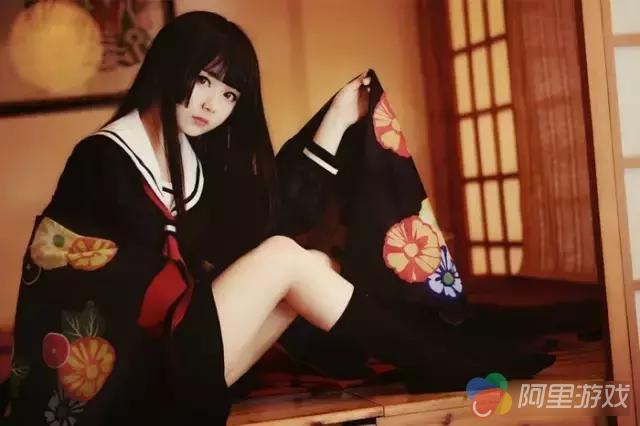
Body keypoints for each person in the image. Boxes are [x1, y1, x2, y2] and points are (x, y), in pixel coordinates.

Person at [2, 11, 554, 426]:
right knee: (287, 259)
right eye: (203, 80)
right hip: (122, 385)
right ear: (168, 68)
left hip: (172, 367)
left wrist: (336, 124)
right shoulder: (103, 157)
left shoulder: (188, 159)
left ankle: (443, 356)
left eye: (229, 93)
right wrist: (195, 282)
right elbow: (80, 278)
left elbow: (259, 231)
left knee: (307, 260)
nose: (212, 104)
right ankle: (448, 361)